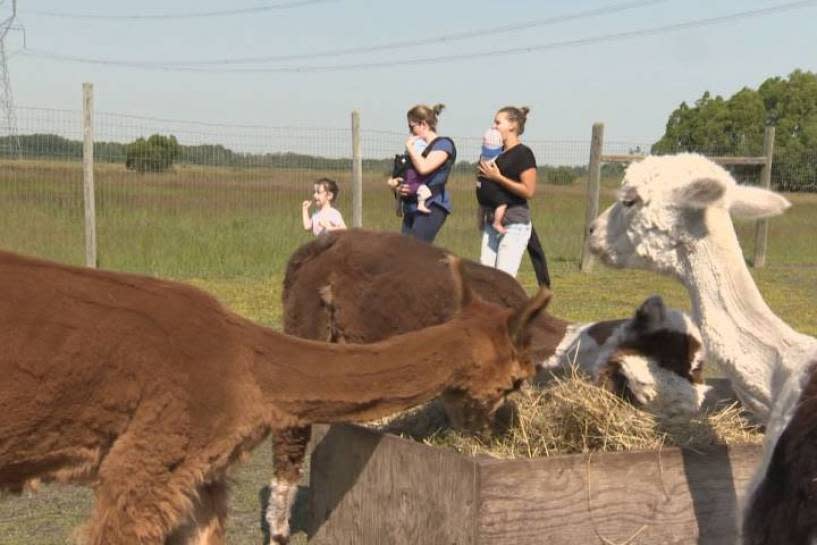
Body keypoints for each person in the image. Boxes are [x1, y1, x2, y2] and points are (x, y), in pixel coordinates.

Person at [477, 106, 547, 280]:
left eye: (498, 122)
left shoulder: (523, 154)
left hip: (515, 223)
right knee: (486, 278)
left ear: (512, 126)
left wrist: (498, 178)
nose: (493, 126)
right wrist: (480, 215)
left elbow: (528, 191)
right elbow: (483, 188)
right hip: (492, 222)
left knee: (503, 279)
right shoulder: (492, 154)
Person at [386, 104, 456, 243]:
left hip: (432, 205)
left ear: (423, 124)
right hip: (411, 207)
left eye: (412, 127)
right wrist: (397, 187)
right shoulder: (417, 149)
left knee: (415, 252)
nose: (410, 132)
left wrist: (410, 148)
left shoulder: (443, 145)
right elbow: (405, 173)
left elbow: (424, 168)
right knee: (405, 252)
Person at [475, 127, 510, 234]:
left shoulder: (482, 157)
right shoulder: (500, 157)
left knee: (482, 206)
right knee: (502, 203)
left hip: (480, 187)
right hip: (491, 187)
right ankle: (497, 222)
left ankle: (480, 222)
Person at [389, 137, 433, 214]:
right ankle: (421, 204)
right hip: (414, 188)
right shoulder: (416, 166)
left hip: (403, 187)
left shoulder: (406, 166)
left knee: (399, 195)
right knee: (426, 191)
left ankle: (398, 205)